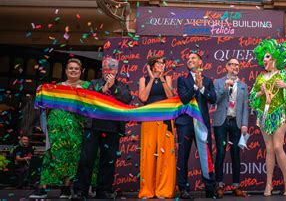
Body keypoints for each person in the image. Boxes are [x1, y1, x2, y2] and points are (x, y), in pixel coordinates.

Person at [29, 58, 90, 199]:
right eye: (71, 68)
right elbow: (48, 105)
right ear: (66, 71)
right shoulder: (56, 87)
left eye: (76, 68)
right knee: (52, 154)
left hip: (76, 126)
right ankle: (42, 187)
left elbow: (93, 104)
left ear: (81, 71)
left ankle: (66, 188)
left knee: (72, 156)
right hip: (56, 126)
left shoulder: (88, 86)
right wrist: (41, 93)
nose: (73, 71)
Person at [73, 57, 132, 199]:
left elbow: (126, 98)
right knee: (86, 159)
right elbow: (88, 100)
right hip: (93, 127)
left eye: (111, 69)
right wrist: (104, 88)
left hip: (112, 128)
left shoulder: (122, 85)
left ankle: (103, 190)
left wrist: (112, 87)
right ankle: (81, 191)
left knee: (108, 160)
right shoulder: (93, 83)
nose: (108, 72)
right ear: (102, 70)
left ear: (116, 71)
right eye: (106, 69)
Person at [249, 39, 286, 196]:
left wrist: (285, 86)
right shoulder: (260, 78)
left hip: (280, 113)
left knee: (278, 146)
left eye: (267, 56)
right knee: (269, 149)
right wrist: (260, 93)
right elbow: (251, 99)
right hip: (264, 115)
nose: (264, 60)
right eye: (263, 57)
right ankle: (269, 184)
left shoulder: (284, 75)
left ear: (275, 58)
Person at [176, 52, 218, 199]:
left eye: (193, 58)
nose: (190, 60)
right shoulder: (182, 79)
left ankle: (209, 188)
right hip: (185, 123)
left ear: (200, 62)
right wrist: (195, 87)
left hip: (202, 123)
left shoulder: (207, 81)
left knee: (206, 156)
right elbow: (184, 99)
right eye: (188, 59)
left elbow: (213, 99)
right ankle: (183, 189)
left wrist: (202, 88)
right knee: (183, 156)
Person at [138, 56, 176, 199]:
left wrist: (161, 79)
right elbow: (143, 98)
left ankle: (163, 190)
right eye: (159, 63)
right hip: (149, 118)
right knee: (148, 154)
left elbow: (170, 96)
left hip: (165, 118)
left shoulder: (168, 78)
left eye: (163, 63)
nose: (161, 65)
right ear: (152, 65)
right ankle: (147, 190)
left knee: (165, 154)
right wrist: (151, 78)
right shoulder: (143, 80)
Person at [213, 58, 249, 198]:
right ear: (226, 67)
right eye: (232, 64)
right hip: (221, 122)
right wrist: (225, 88)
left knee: (235, 154)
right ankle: (219, 185)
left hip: (236, 123)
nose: (235, 67)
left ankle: (236, 186)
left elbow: (245, 107)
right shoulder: (218, 82)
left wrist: (245, 123)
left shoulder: (243, 86)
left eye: (238, 65)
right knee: (221, 153)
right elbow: (214, 100)